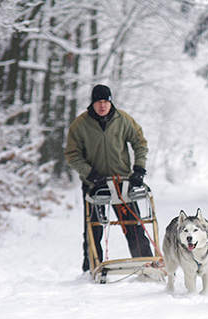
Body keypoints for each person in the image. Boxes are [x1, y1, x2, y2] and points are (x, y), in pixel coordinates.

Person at [65, 84, 153, 272]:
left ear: (110, 102)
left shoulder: (123, 120)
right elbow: (72, 154)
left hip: (121, 183)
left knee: (132, 225)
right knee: (94, 228)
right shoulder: (80, 124)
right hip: (94, 185)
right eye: (98, 102)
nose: (102, 106)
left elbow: (140, 143)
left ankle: (146, 263)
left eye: (105, 102)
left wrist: (139, 169)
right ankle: (91, 268)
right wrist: (90, 174)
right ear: (93, 103)